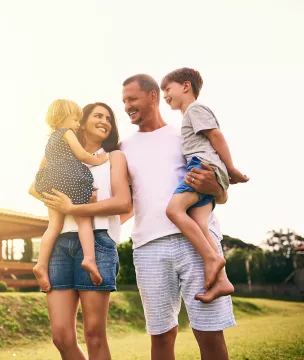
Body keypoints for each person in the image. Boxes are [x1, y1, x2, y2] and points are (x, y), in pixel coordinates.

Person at [44, 76, 236, 360]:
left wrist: (219, 191)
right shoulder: (124, 148)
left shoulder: (183, 135)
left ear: (153, 96)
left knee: (209, 331)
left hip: (196, 241)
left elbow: (217, 185)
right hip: (147, 247)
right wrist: (102, 228)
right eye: (123, 101)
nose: (126, 107)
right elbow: (128, 202)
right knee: (160, 335)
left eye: (131, 100)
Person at [30, 102, 131, 360]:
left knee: (94, 336)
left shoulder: (114, 157)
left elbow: (124, 203)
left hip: (96, 243)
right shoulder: (59, 150)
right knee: (61, 337)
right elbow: (35, 187)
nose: (105, 121)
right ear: (81, 121)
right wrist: (58, 202)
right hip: (59, 245)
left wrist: (75, 207)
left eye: (109, 118)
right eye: (98, 115)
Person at [160, 67, 248, 298]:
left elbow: (216, 136)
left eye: (167, 89)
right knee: (200, 222)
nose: (165, 95)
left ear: (186, 86)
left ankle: (211, 259)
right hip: (205, 166)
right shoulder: (189, 115)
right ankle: (222, 280)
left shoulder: (195, 109)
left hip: (201, 165)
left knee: (173, 210)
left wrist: (231, 169)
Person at [32, 99, 109, 292]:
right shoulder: (66, 133)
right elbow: (82, 155)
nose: (77, 125)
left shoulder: (50, 141)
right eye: (75, 120)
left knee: (53, 226)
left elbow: (43, 169)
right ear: (63, 118)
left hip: (51, 183)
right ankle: (90, 259)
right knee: (83, 219)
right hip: (70, 181)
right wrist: (99, 159)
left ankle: (41, 264)